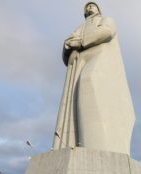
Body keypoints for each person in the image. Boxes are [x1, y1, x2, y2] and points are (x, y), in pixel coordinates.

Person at [53, 2, 135, 155]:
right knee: (75, 96)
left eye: (92, 5)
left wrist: (81, 42)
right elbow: (68, 42)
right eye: (87, 6)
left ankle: (95, 144)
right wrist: (70, 44)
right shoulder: (80, 27)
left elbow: (107, 31)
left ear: (98, 9)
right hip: (79, 59)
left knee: (89, 81)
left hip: (100, 54)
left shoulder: (106, 19)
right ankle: (74, 143)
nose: (89, 7)